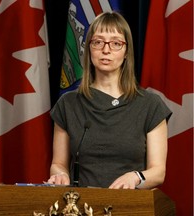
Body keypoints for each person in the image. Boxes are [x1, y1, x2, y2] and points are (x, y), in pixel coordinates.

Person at [47, 11, 172, 189]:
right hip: (82, 207)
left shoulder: (150, 105)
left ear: (127, 51)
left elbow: (158, 172)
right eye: (98, 42)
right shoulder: (68, 104)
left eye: (115, 43)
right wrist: (60, 175)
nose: (106, 50)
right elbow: (58, 163)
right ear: (89, 48)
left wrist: (135, 177)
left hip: (131, 206)